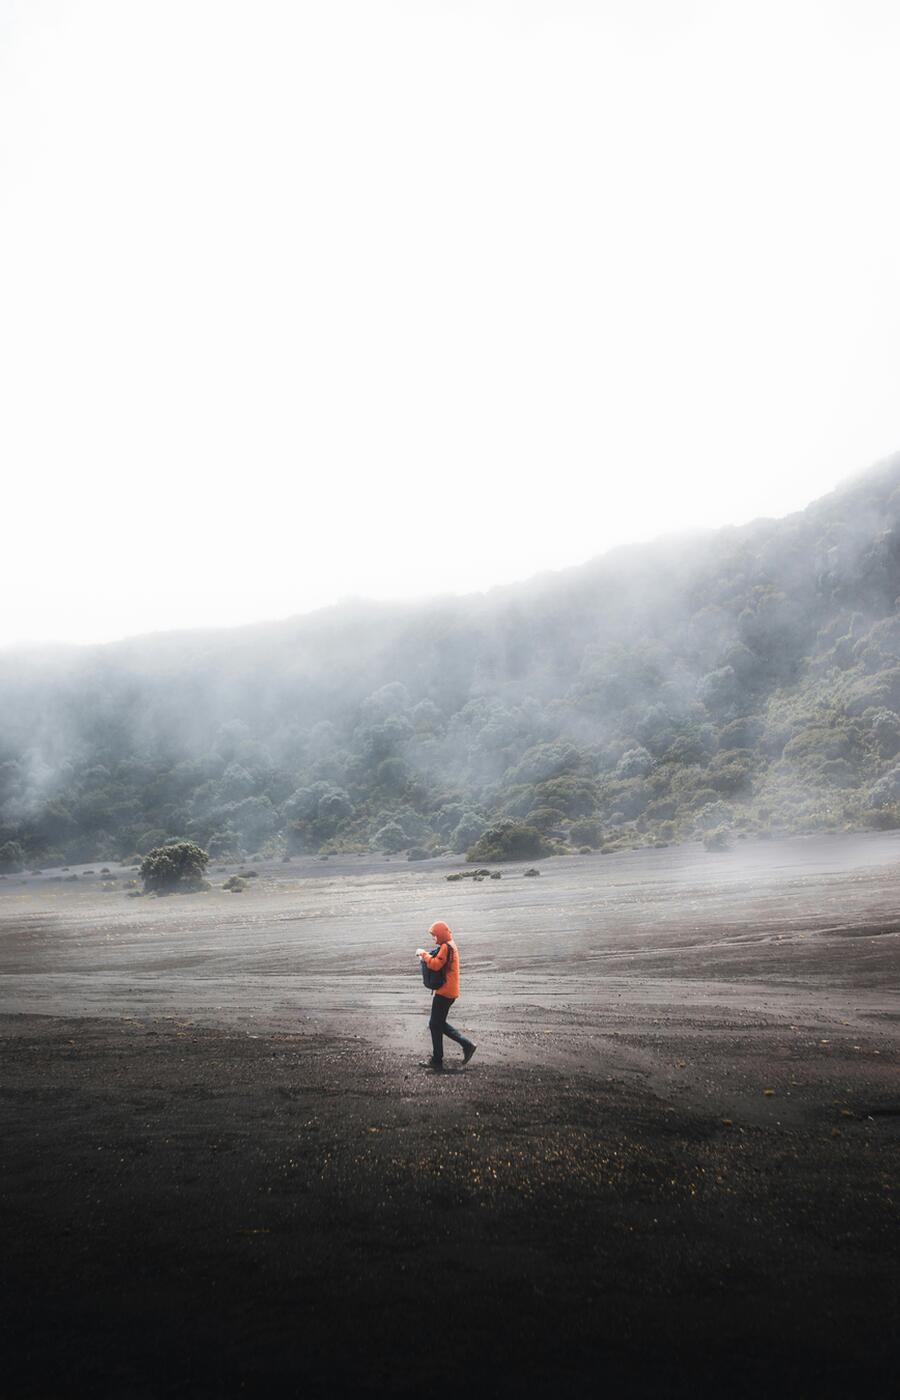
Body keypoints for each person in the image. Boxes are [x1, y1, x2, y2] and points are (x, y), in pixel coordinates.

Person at [415, 919, 476, 1071]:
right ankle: (462, 1047)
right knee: (438, 1023)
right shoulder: (450, 945)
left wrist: (423, 954)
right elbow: (439, 961)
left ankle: (440, 1059)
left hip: (445, 992)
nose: (434, 939)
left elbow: (435, 965)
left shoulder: (446, 947)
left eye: (435, 936)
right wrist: (427, 956)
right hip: (450, 991)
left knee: (435, 1024)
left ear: (441, 934)